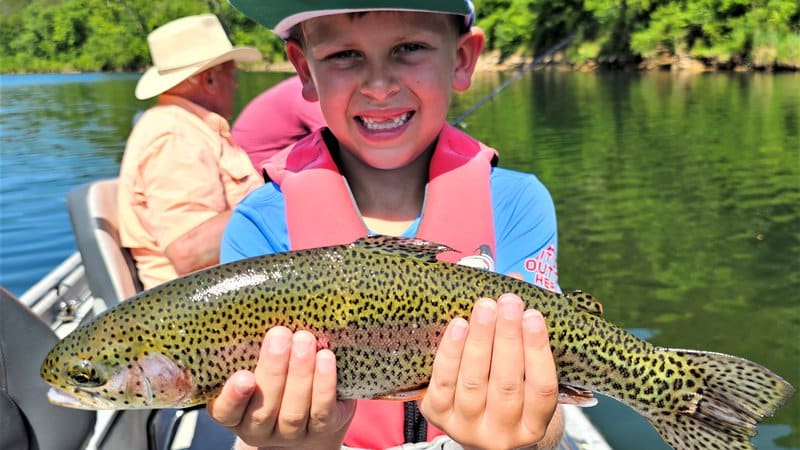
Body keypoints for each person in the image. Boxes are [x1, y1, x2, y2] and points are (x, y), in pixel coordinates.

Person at [210, 1, 565, 449]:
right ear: (304, 69)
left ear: (461, 59)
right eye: (344, 55)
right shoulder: (257, 224)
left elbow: (553, 401)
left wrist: (522, 438)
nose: (379, 87)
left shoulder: (516, 204)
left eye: (410, 48)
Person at [118, 14, 264, 289]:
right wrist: (288, 201)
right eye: (232, 73)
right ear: (209, 79)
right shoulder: (175, 135)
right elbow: (189, 252)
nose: (236, 83)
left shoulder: (190, 127)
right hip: (199, 316)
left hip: (230, 295)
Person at [232, 75, 326, 171]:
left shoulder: (301, 85)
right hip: (258, 176)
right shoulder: (309, 91)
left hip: (246, 167)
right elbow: (335, 139)